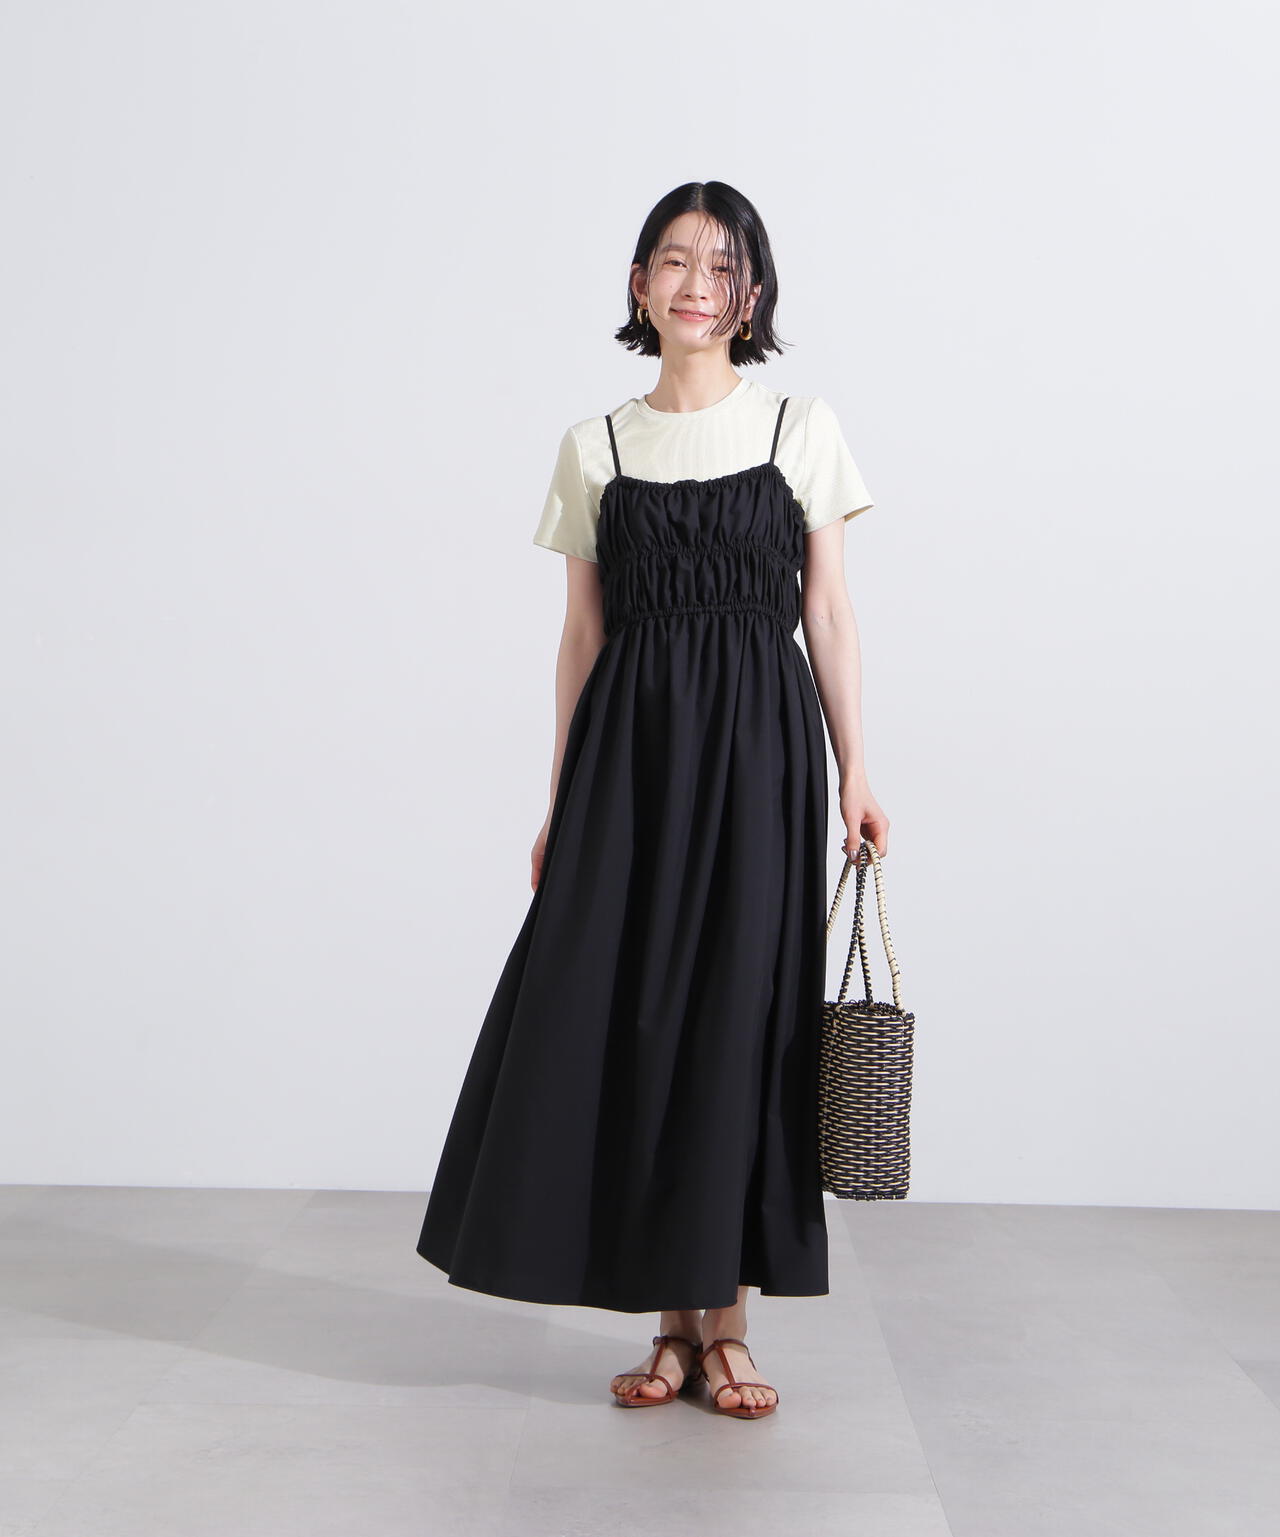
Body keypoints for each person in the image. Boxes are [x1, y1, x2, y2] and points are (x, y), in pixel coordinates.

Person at [417, 180, 889, 1420]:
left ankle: (721, 1326)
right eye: (673, 260)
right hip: (629, 755)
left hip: (760, 754)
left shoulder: (798, 426)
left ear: (752, 293)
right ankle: (670, 1327)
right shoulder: (597, 446)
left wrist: (855, 767)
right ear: (638, 285)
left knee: (739, 1014)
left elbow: (826, 609)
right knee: (637, 1013)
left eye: (720, 265)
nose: (695, 283)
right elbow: (580, 635)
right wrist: (558, 795)